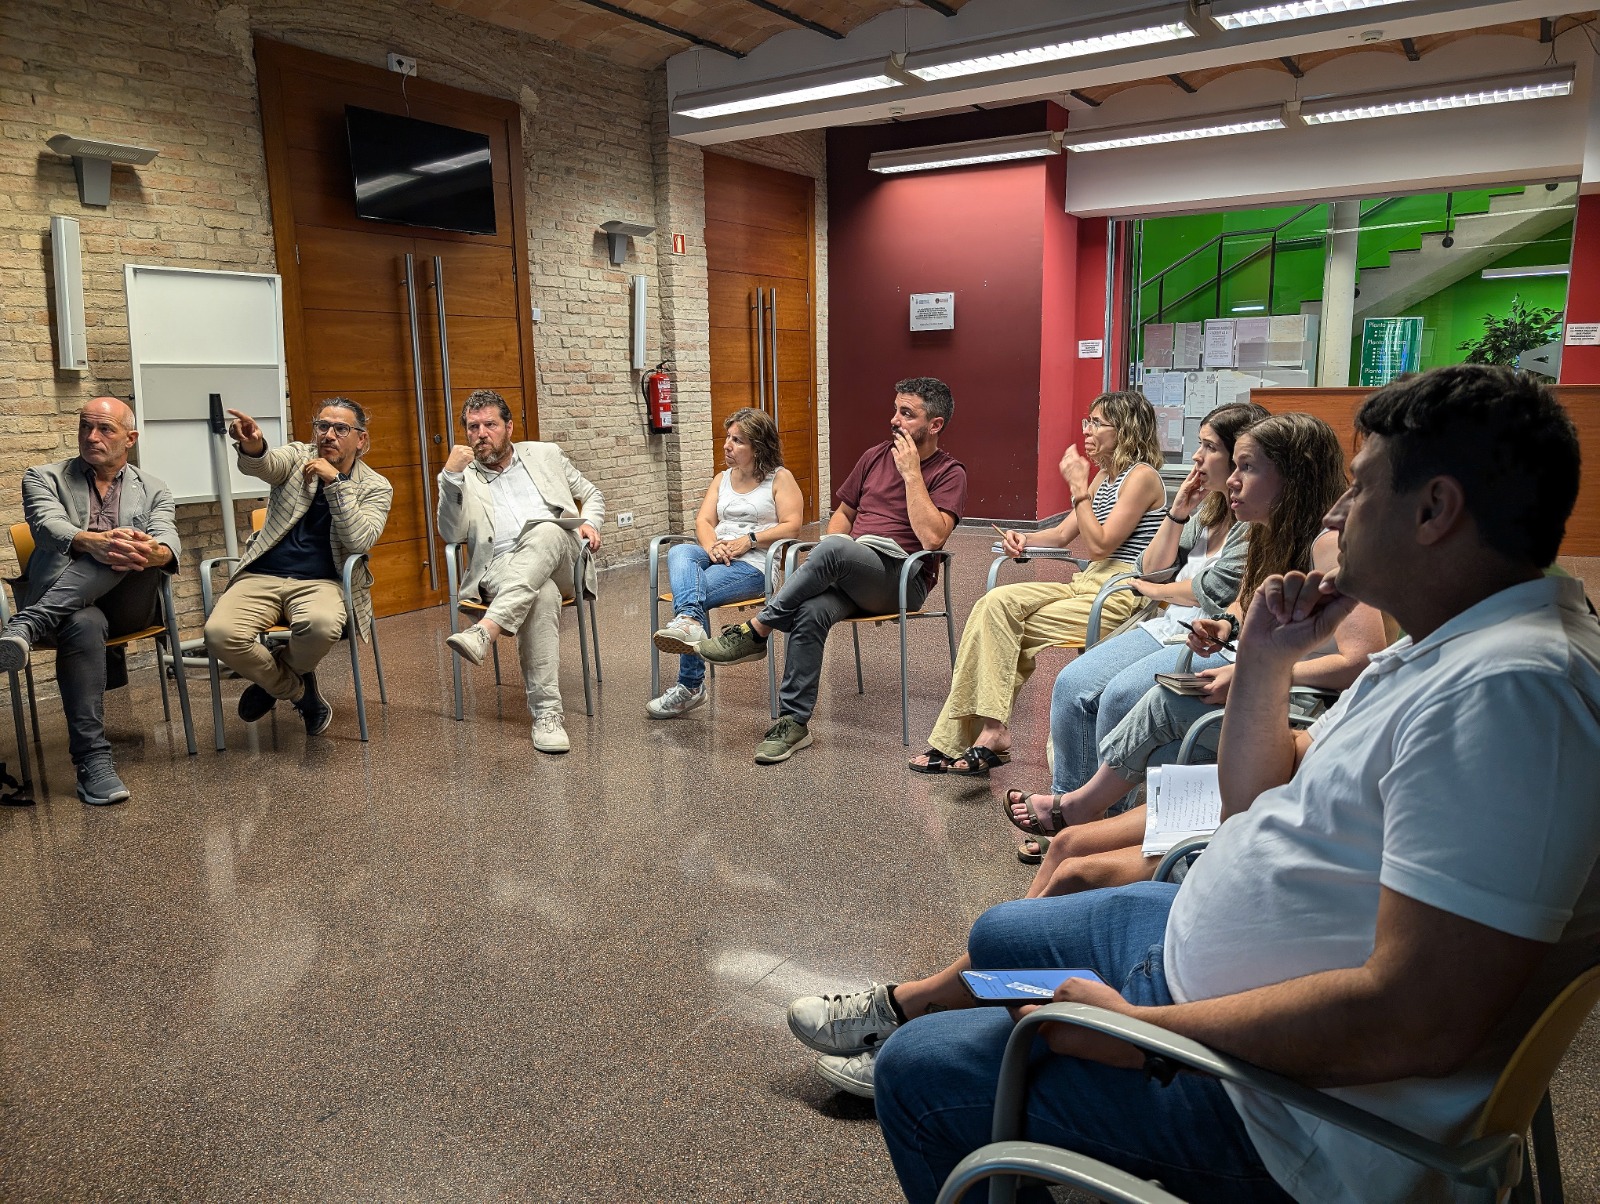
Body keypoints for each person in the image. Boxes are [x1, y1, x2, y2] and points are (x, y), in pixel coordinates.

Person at [867, 365, 1600, 1204]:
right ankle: (957, 1021)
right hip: (1203, 966)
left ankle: (947, 1066)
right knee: (1003, 934)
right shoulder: (1442, 649)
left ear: (1434, 511)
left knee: (918, 1076)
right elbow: (1255, 802)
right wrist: (1266, 653)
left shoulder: (1511, 695)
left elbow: (1416, 1019)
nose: (1332, 514)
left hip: (1283, 1113)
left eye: (1358, 491)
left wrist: (1141, 1035)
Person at [1006, 412, 1388, 858]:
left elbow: (1362, 661)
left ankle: (1083, 815)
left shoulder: (1327, 545)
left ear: (1291, 475)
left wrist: (1258, 675)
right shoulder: (1265, 529)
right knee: (1134, 696)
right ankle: (1087, 816)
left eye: (1248, 468)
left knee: (1156, 700)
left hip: (1304, 701)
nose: (1232, 482)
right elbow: (1247, 603)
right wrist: (1226, 624)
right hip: (1263, 676)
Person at [1013, 400, 1265, 862]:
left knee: (1118, 697)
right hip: (1169, 623)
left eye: (1209, 448)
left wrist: (1160, 587)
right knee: (1071, 685)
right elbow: (1152, 566)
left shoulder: (1256, 525)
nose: (1195, 458)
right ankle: (1070, 818)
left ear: (1237, 461)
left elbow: (1204, 590)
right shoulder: (1206, 510)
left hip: (1207, 636)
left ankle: (1108, 835)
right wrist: (1178, 514)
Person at [697, 378, 967, 765]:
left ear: (935, 425)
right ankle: (793, 723)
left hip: (901, 578)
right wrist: (833, 551)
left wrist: (911, 474)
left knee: (837, 548)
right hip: (852, 567)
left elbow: (931, 539)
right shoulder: (874, 457)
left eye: (907, 414)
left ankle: (758, 629)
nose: (894, 420)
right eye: (895, 409)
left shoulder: (949, 472)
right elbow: (843, 514)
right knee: (811, 609)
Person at [910, 390, 1167, 777]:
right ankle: (992, 731)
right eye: (1088, 421)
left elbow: (1099, 546)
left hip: (1122, 592)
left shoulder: (1142, 477)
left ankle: (962, 740)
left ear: (1126, 429)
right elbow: (1064, 534)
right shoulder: (1104, 476)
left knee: (1001, 631)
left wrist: (1079, 489)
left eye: (1097, 422)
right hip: (1088, 583)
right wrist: (1024, 538)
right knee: (993, 605)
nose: (1088, 430)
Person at [0, 398, 180, 806]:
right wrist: (92, 542)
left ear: (130, 438)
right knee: (84, 620)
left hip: (129, 606)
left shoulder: (154, 487)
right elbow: (48, 526)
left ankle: (27, 623)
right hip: (71, 608)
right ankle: (93, 761)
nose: (91, 436)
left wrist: (154, 552)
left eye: (105, 429)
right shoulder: (43, 477)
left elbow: (167, 536)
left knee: (126, 548)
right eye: (85, 427)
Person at [204, 400, 393, 737]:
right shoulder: (296, 457)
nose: (329, 435)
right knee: (219, 634)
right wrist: (253, 444)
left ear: (360, 440)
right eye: (323, 426)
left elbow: (359, 542)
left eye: (341, 429)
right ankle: (299, 691)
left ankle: (271, 681)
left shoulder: (376, 487)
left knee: (321, 626)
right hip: (262, 574)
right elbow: (265, 466)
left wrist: (336, 485)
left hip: (322, 581)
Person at [439, 388, 604, 754]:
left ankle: (486, 630)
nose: (481, 433)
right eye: (473, 427)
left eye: (490, 425)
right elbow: (450, 533)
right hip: (500, 567)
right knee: (541, 593)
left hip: (562, 557)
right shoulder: (460, 477)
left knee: (546, 528)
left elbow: (591, 493)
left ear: (509, 427)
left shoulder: (545, 454)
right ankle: (547, 715)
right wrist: (449, 477)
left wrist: (590, 522)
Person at [648, 407, 802, 718]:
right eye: (727, 438)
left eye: (737, 440)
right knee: (679, 552)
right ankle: (689, 622)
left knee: (694, 592)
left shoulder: (780, 478)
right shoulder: (722, 479)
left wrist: (750, 539)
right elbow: (703, 520)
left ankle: (690, 686)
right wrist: (712, 546)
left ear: (758, 446)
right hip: (717, 555)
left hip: (755, 565)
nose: (727, 446)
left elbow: (792, 525)